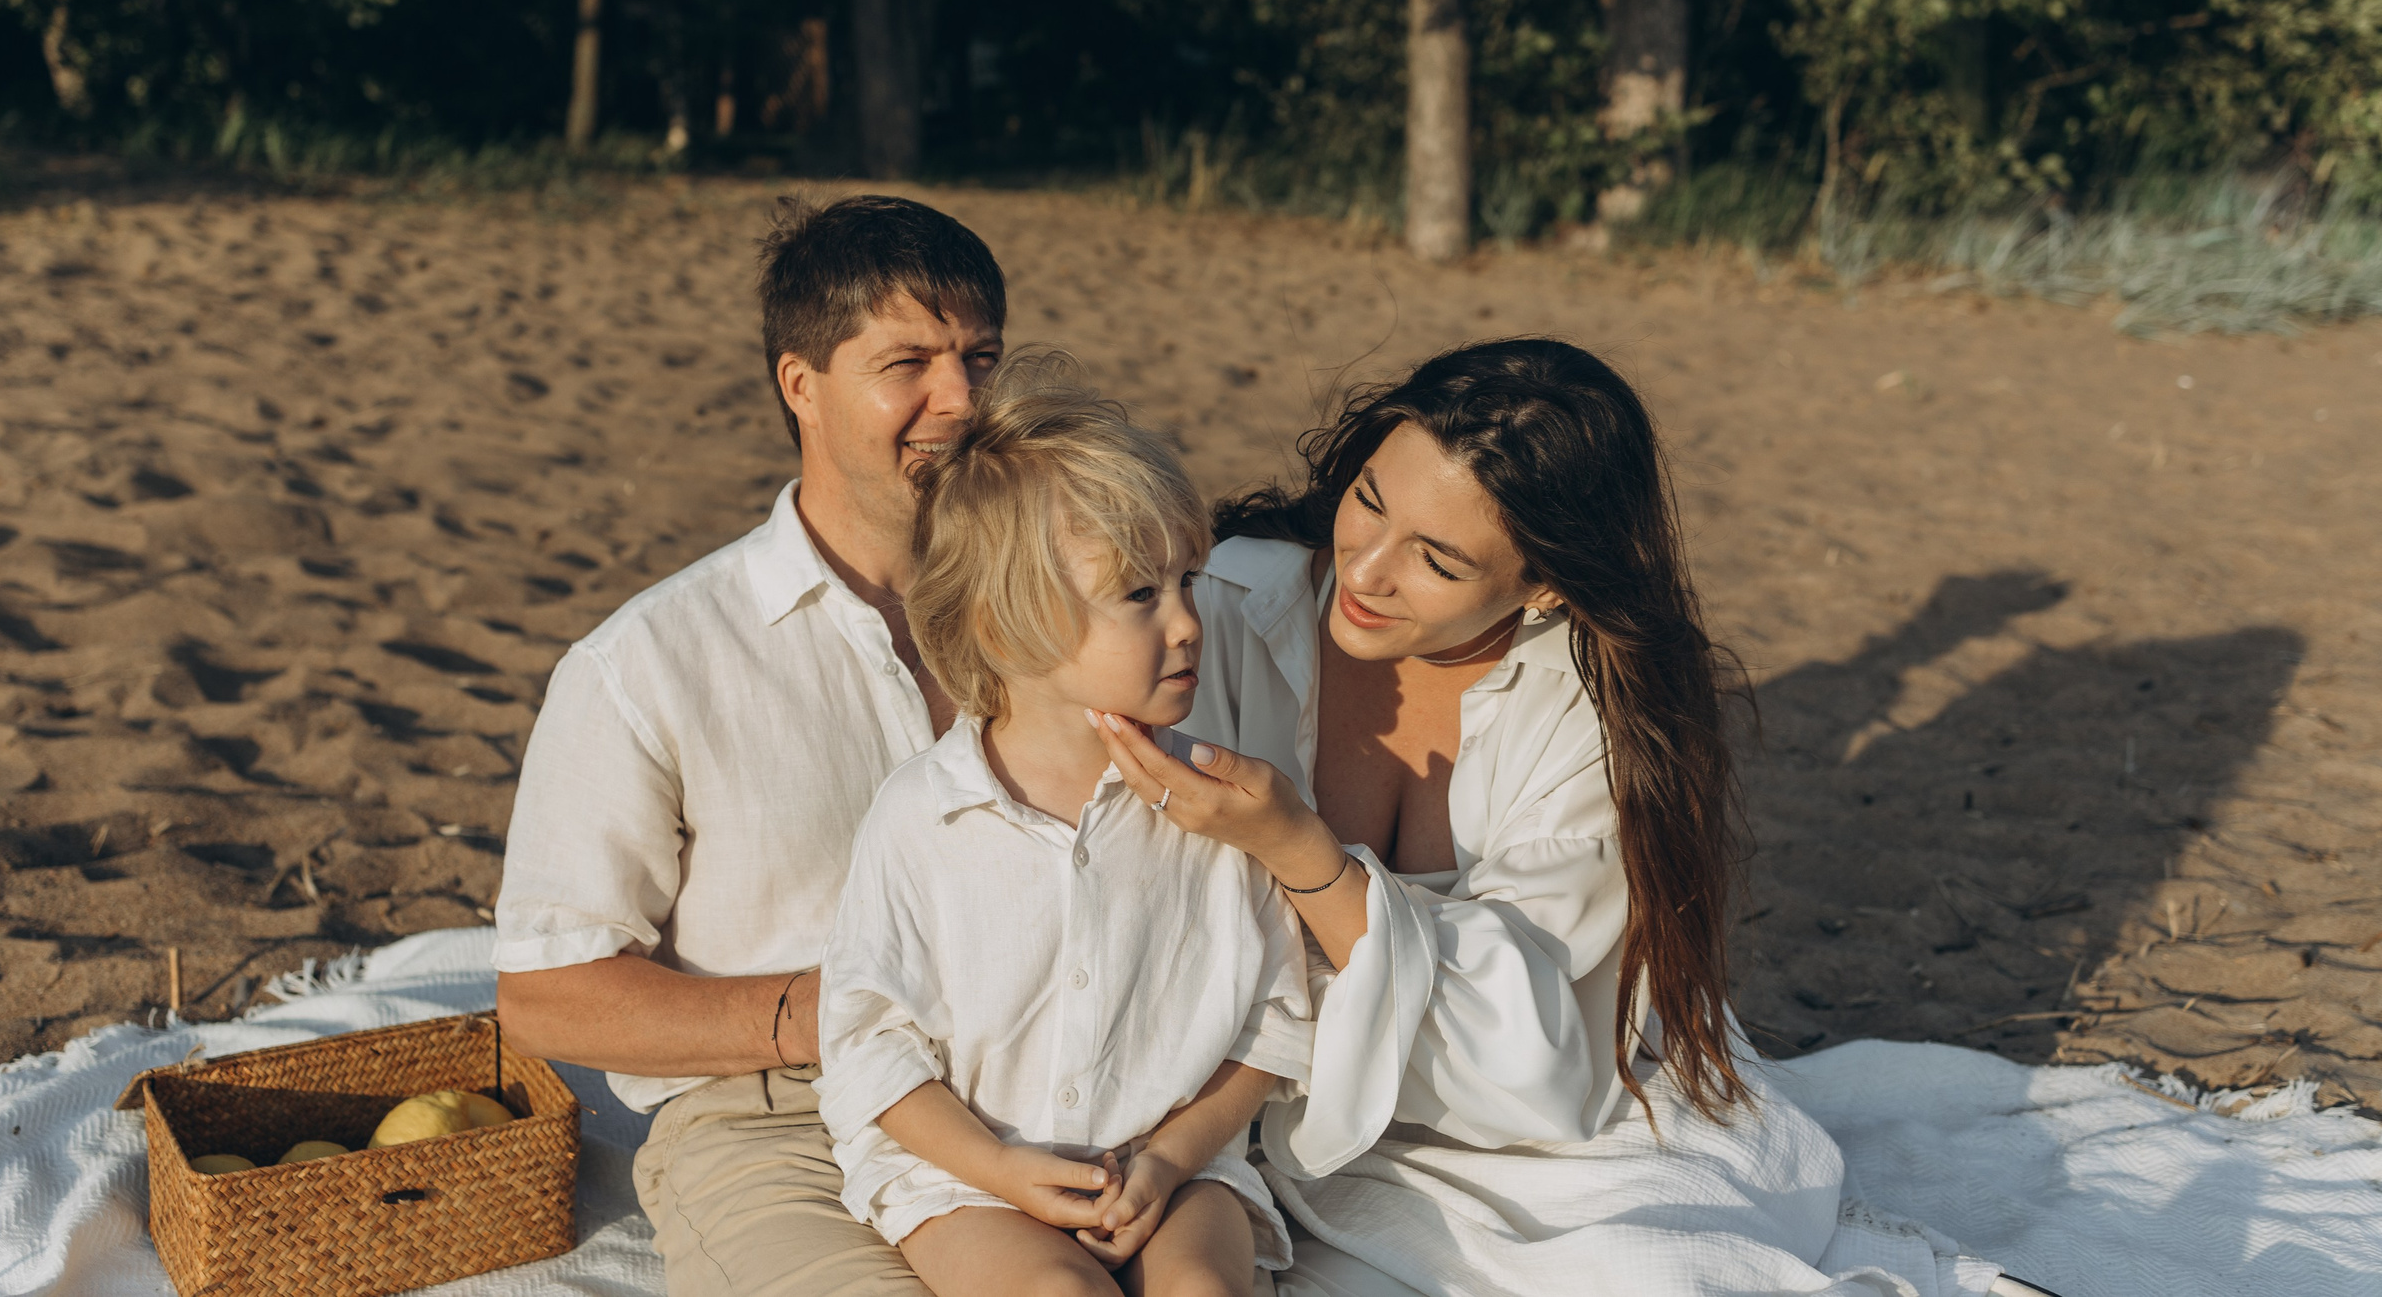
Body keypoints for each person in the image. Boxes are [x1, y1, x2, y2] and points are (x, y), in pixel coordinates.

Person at [1093, 337, 2010, 1297]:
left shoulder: (1589, 705)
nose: (1365, 570)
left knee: (1651, 1271)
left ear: (1547, 583)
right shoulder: (1222, 603)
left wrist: (1299, 851)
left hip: (1524, 1116)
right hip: (1224, 1095)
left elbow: (1534, 1060)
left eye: (1438, 559)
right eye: (1369, 498)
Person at [491, 194, 1008, 1297]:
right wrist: (820, 1013)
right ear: (800, 385)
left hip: (1044, 1082)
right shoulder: (649, 661)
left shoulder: (1059, 612)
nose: (959, 400)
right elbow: (547, 996)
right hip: (777, 1117)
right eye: (907, 362)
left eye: (980, 358)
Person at [816, 353, 1314, 1297]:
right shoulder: (925, 815)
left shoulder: (1224, 805)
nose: (1187, 624)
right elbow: (870, 1043)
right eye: (1139, 594)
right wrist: (1000, 1170)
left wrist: (1169, 1158)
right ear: (1007, 627)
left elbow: (1275, 1024)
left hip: (1180, 1164)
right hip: (974, 1174)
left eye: (1189, 582)